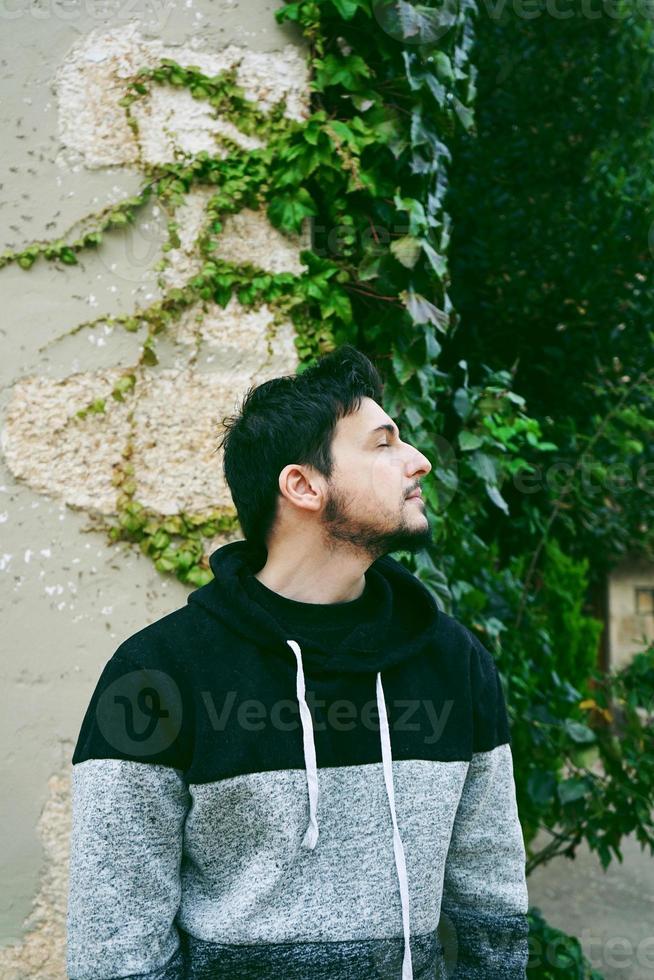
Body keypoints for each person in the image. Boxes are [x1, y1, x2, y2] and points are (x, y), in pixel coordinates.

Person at [66, 344, 529, 979]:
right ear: (303, 485)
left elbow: (492, 909)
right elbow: (115, 947)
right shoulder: (159, 675)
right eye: (383, 444)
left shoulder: (453, 662)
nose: (418, 461)